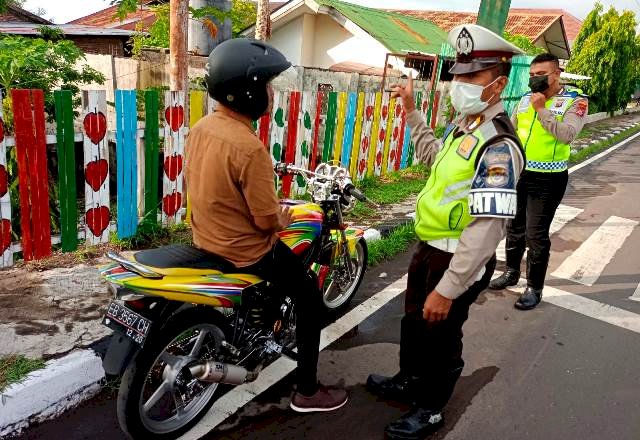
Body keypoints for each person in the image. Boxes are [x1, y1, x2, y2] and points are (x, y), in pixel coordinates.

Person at [366, 24, 525, 439]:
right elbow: (432, 155)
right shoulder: (465, 126)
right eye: (458, 75)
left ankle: (432, 408)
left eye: (472, 77)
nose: (460, 84)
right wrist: (411, 110)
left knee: (441, 334)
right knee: (414, 323)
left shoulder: (499, 146)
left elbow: (488, 229)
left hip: (458, 259)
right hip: (429, 247)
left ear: (497, 84)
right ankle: (409, 380)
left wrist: (450, 286)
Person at [185, 38, 348, 413]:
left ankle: (266, 319)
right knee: (309, 296)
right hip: (245, 252)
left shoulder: (203, 127)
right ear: (246, 92)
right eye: (266, 85)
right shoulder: (249, 147)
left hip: (206, 237)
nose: (271, 94)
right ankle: (307, 391)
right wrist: (286, 215)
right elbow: (266, 221)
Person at [489, 53, 589, 310]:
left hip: (549, 178)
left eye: (540, 74)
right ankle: (511, 272)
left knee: (536, 235)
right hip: (521, 173)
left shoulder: (574, 101)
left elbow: (567, 135)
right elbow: (510, 132)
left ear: (556, 74)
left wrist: (542, 109)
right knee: (514, 228)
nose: (535, 79)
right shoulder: (524, 99)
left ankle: (534, 287)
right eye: (532, 75)